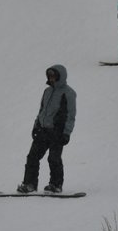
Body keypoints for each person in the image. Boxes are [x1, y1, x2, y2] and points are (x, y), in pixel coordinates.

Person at [18, 65, 77, 193]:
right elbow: (41, 111)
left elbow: (71, 115)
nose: (51, 79)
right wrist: (36, 126)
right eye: (49, 76)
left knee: (54, 158)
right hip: (43, 130)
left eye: (54, 76)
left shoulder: (69, 93)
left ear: (60, 76)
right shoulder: (47, 91)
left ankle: (56, 185)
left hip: (57, 132)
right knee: (32, 157)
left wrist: (66, 133)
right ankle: (29, 184)